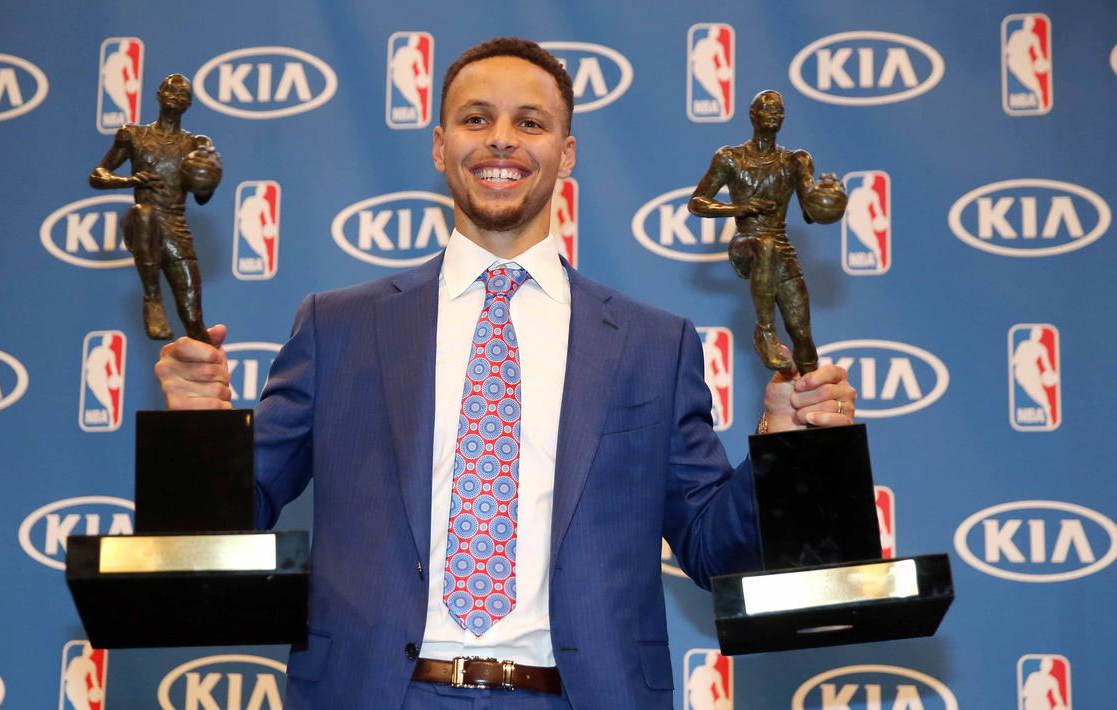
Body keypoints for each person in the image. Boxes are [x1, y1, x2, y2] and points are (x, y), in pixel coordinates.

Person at [156, 38, 856, 709]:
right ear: (439, 145)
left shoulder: (651, 344)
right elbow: (234, 520)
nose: (500, 139)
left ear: (565, 152)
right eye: (475, 118)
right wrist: (200, 436)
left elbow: (710, 548)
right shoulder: (337, 328)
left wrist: (779, 444)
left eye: (530, 122)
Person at [688, 90, 846, 375]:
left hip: (779, 245)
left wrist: (829, 196)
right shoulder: (730, 158)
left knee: (801, 333)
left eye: (779, 111)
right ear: (753, 115)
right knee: (764, 244)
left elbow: (810, 213)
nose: (774, 114)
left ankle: (810, 396)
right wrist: (741, 208)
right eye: (767, 109)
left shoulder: (795, 161)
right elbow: (697, 203)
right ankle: (765, 331)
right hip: (745, 242)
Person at [90, 73, 222, 343]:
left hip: (176, 229)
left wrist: (207, 182)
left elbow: (201, 199)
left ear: (189, 104)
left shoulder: (196, 145)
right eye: (170, 91)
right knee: (144, 213)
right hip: (142, 227)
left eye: (182, 95)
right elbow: (97, 175)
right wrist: (128, 180)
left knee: (194, 321)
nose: (175, 97)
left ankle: (211, 368)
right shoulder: (133, 135)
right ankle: (152, 298)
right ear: (159, 95)